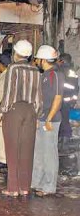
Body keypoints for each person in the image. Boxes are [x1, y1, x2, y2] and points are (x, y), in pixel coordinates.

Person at [0, 40, 42, 197]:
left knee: (12, 149)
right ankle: (25, 187)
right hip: (31, 111)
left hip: (14, 110)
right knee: (27, 150)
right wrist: (37, 117)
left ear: (16, 53)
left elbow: (9, 94)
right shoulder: (35, 69)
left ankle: (13, 188)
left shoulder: (13, 68)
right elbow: (38, 97)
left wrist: (0, 114)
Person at [32, 45, 63, 197]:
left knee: (49, 153)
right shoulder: (45, 74)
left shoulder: (55, 75)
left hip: (50, 120)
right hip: (42, 119)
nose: (36, 60)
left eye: (38, 58)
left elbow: (58, 97)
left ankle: (49, 186)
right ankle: (37, 182)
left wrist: (49, 118)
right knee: (39, 152)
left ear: (43, 59)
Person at [57, 53, 79, 152]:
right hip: (68, 101)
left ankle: (62, 145)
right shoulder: (72, 71)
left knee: (62, 122)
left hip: (61, 101)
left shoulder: (60, 70)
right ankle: (63, 144)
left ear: (62, 61)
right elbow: (76, 88)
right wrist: (73, 100)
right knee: (65, 122)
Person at [0, 54, 11, 168]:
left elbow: (1, 97)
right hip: (8, 108)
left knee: (2, 134)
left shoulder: (5, 76)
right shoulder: (9, 74)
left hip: (3, 108)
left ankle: (3, 159)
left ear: (0, 63)